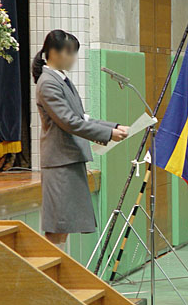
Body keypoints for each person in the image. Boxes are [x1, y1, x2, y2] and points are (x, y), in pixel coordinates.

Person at [33, 30, 129, 250]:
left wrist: (112, 127)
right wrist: (108, 134)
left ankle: (60, 276)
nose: (73, 58)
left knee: (64, 224)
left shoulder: (61, 79)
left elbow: (81, 117)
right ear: (53, 53)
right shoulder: (48, 82)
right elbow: (69, 122)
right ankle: (53, 278)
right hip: (59, 162)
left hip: (68, 160)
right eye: (69, 52)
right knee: (58, 225)